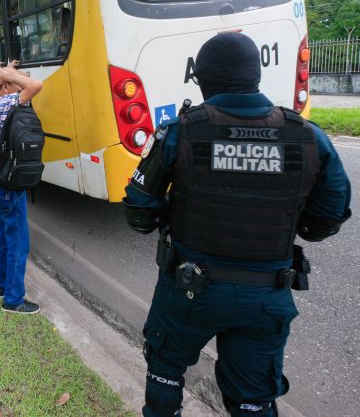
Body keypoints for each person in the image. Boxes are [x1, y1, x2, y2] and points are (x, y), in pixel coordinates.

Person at [122, 32, 352, 417]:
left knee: (165, 374)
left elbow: (139, 211)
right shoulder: (307, 137)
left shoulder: (180, 131)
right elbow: (330, 214)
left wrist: (169, 217)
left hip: (188, 290)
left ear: (204, 79)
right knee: (254, 400)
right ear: (254, 74)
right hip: (265, 296)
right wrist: (297, 227)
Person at [0, 62, 44, 314]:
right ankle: (13, 299)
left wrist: (7, 73)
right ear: (5, 86)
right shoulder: (7, 103)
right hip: (9, 183)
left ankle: (1, 286)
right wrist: (8, 74)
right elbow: (36, 85)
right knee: (18, 243)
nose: (20, 87)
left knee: (3, 236)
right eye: (14, 84)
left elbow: (25, 81)